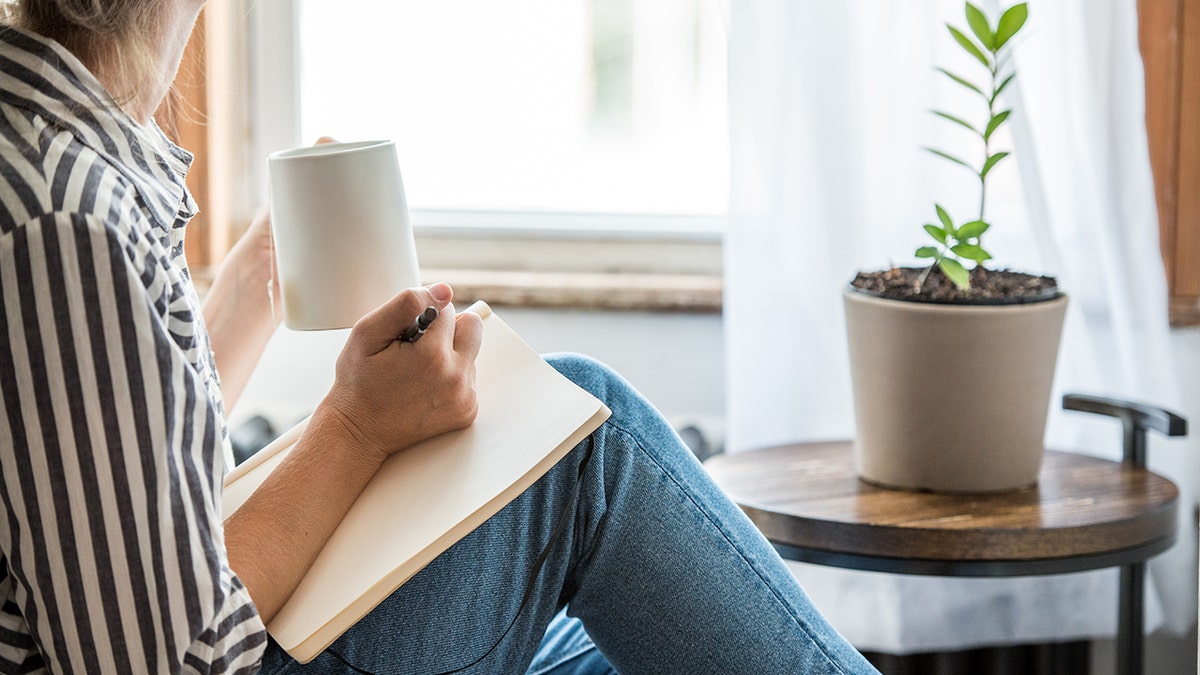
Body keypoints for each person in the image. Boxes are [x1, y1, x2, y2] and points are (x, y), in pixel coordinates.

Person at [0, 0, 879, 673]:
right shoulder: (65, 219)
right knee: (589, 435)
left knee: (622, 639)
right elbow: (165, 657)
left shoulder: (55, 146)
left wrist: (253, 286)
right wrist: (353, 425)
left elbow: (117, 489)